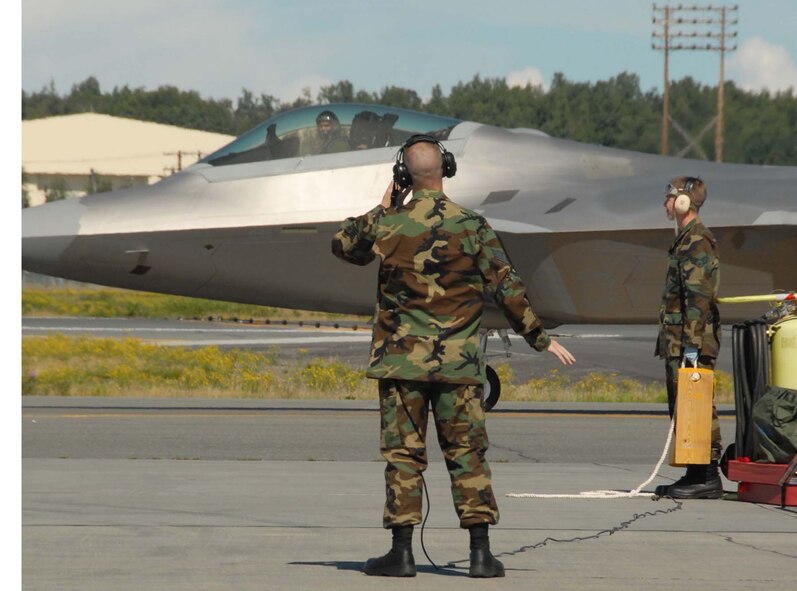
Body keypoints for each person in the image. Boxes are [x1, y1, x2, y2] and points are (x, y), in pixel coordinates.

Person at [331, 136, 576, 578]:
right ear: (445, 169)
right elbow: (507, 287)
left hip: (402, 364)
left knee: (404, 457)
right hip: (458, 367)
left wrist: (385, 206)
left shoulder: (390, 223)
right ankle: (480, 554)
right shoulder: (472, 225)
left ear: (404, 175)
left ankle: (401, 553)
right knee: (468, 454)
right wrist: (539, 338)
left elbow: (344, 244)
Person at [654, 176, 723, 499]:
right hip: (680, 339)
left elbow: (697, 297)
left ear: (683, 202)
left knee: (697, 406)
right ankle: (695, 473)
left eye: (669, 197)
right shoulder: (685, 240)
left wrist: (692, 345)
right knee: (685, 409)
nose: (665, 203)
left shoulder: (697, 241)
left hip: (690, 340)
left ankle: (707, 476)